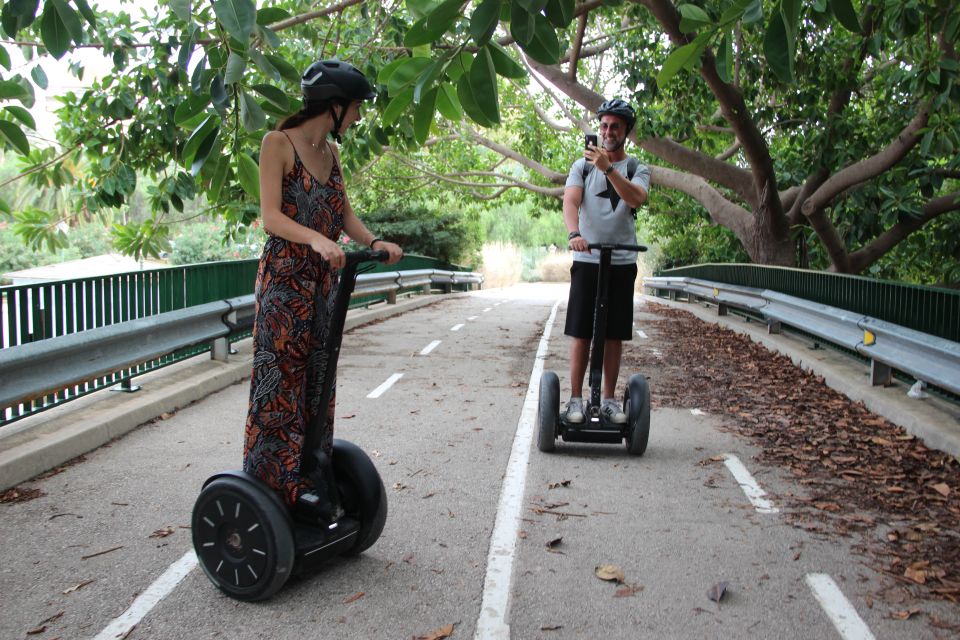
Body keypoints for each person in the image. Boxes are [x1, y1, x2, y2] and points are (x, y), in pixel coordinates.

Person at [244, 59, 402, 525]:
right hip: (284, 284)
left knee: (318, 379)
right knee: (281, 384)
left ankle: (309, 476)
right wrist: (315, 238)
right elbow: (271, 216)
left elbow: (344, 215)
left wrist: (373, 242)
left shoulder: (332, 154)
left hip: (322, 286)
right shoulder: (278, 143)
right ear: (334, 106)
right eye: (354, 109)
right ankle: (272, 484)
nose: (356, 118)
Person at [562, 99, 650, 424]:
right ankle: (574, 400)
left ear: (626, 131)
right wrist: (574, 234)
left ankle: (610, 400)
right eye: (603, 126)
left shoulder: (637, 168)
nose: (607, 132)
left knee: (614, 334)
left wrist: (608, 168)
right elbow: (571, 201)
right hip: (587, 258)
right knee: (582, 332)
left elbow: (637, 198)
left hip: (622, 261)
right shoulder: (581, 166)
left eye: (614, 126)